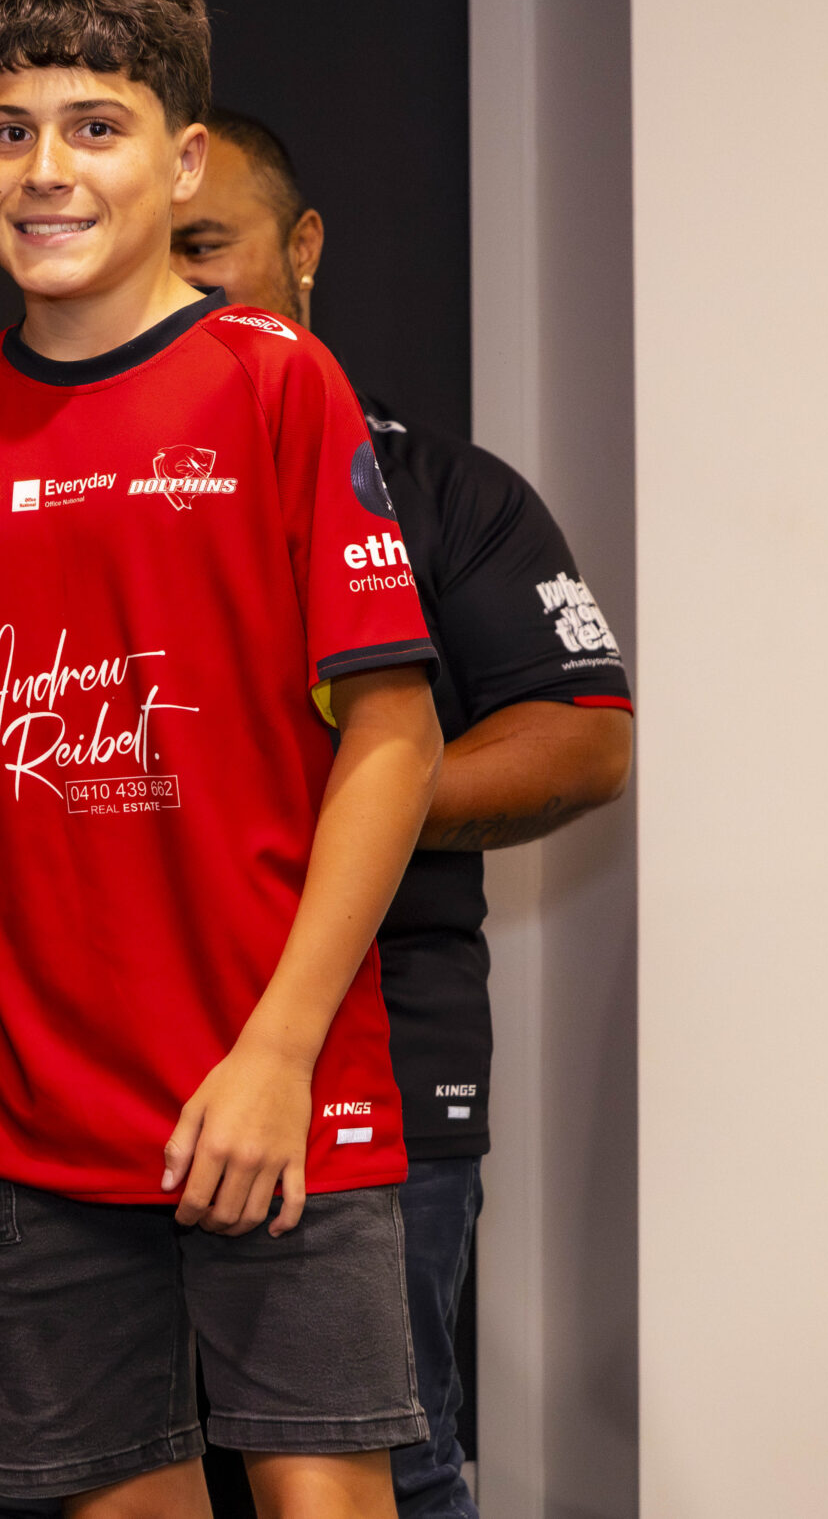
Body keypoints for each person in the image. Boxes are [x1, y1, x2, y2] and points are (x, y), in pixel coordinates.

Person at [0, 0, 443, 1519]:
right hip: (34, 1115)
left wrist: (279, 1055)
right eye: (9, 130)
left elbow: (398, 742)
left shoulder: (278, 384)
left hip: (276, 1094)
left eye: (95, 127)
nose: (46, 170)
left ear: (181, 162)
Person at [174, 109, 635, 1519]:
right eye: (151, 248)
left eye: (207, 244)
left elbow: (583, 739)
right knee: (101, 1476)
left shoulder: (441, 491)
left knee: (391, 1465)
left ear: (303, 247)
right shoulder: (59, 486)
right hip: (119, 1062)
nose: (179, 283)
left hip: (385, 1064)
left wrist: (349, 805)